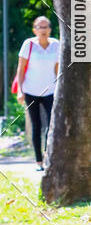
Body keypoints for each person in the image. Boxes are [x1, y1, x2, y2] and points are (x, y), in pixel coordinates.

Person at [16, 16, 59, 170]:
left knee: (51, 124)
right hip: (31, 90)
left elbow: (57, 69)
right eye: (40, 27)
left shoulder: (56, 44)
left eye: (46, 27)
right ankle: (38, 161)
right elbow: (21, 70)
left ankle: (48, 157)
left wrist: (59, 88)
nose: (43, 30)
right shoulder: (29, 44)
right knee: (36, 125)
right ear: (34, 30)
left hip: (50, 91)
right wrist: (20, 91)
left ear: (50, 29)